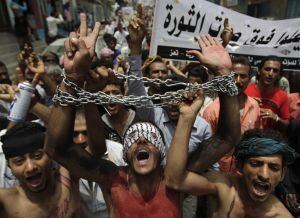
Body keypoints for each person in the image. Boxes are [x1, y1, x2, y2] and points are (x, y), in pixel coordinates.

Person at [45, 13, 237, 217]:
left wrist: (224, 74)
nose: (142, 140)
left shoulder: (175, 177)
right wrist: (72, 78)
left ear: (162, 150)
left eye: (151, 137)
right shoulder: (111, 177)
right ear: (126, 155)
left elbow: (227, 138)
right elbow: (57, 148)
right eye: (133, 139)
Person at [165, 72, 298, 218]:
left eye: (273, 167)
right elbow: (175, 180)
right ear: (240, 165)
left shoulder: (280, 215)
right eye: (255, 164)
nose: (264, 175)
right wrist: (187, 116)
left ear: (283, 174)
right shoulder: (224, 188)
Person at [0, 122, 81, 217]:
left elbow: (96, 150)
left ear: (50, 155)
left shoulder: (69, 178)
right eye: (19, 161)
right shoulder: (6, 201)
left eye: (37, 156)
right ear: (10, 167)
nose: (30, 167)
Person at [245, 56, 290, 131]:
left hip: (270, 139)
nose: (270, 73)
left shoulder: (283, 96)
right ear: (259, 71)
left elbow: (287, 124)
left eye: (275, 71)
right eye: (267, 69)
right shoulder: (246, 91)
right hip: (247, 137)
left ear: (279, 75)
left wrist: (276, 118)